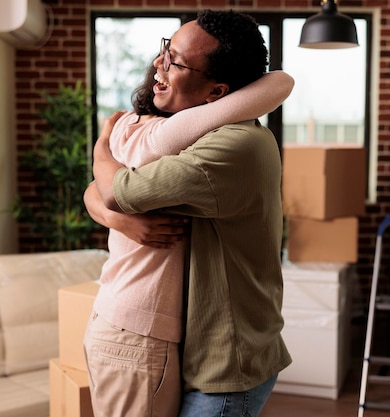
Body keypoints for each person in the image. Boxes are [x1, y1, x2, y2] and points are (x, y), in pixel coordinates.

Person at [88, 9, 292, 417]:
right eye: (166, 49)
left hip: (222, 362)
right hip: (193, 348)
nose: (157, 64)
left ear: (217, 94)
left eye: (176, 61)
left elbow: (114, 190)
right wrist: (120, 219)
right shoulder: (188, 130)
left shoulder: (230, 147)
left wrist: (101, 149)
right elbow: (98, 195)